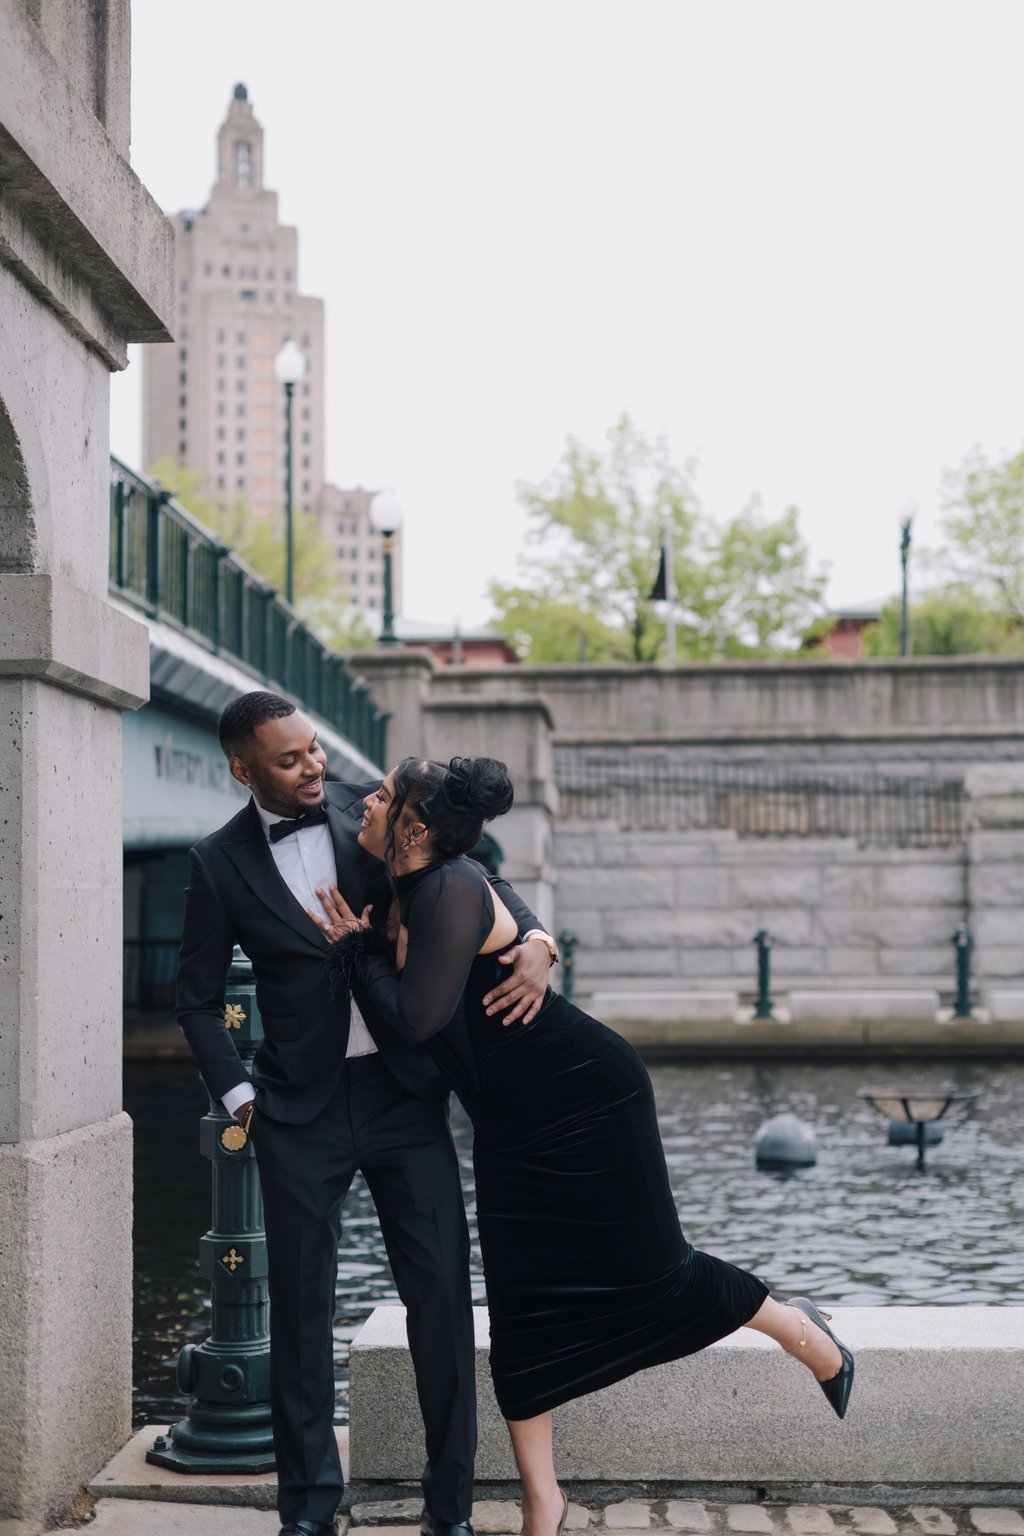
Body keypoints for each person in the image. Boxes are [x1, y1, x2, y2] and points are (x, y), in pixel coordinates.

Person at [318, 755, 856, 1536]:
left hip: (586, 1097)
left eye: (382, 796)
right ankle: (547, 1502)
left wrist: (358, 950)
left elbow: (418, 1019)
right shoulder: (409, 870)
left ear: (416, 826)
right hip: (509, 1121)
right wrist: (531, 935)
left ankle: (809, 1340)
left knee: (652, 1272)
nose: (363, 800)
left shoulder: (450, 884)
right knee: (521, 1307)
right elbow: (492, 911)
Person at [175, 694, 556, 1536]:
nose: (313, 767)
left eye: (313, 749)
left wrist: (536, 941)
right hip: (296, 1113)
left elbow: (475, 876)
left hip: (406, 1095)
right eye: (288, 760)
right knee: (303, 1317)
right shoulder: (217, 862)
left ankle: (449, 1509)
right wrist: (244, 1102)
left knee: (443, 1304)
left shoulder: (376, 810)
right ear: (244, 770)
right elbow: (196, 1003)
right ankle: (309, 1511)